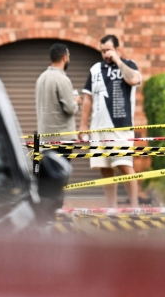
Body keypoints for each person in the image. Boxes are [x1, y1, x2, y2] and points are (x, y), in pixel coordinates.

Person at [79, 35, 142, 208]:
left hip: (120, 126)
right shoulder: (96, 69)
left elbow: (134, 80)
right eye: (103, 51)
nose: (105, 54)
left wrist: (118, 61)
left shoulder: (129, 65)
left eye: (108, 50)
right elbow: (88, 99)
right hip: (98, 128)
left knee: (124, 166)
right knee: (105, 168)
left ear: (118, 49)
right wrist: (83, 125)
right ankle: (112, 208)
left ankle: (134, 206)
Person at [35, 43, 79, 135]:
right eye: (69, 56)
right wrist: (76, 101)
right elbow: (71, 109)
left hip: (43, 136)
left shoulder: (41, 78)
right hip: (62, 138)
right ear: (64, 57)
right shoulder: (62, 79)